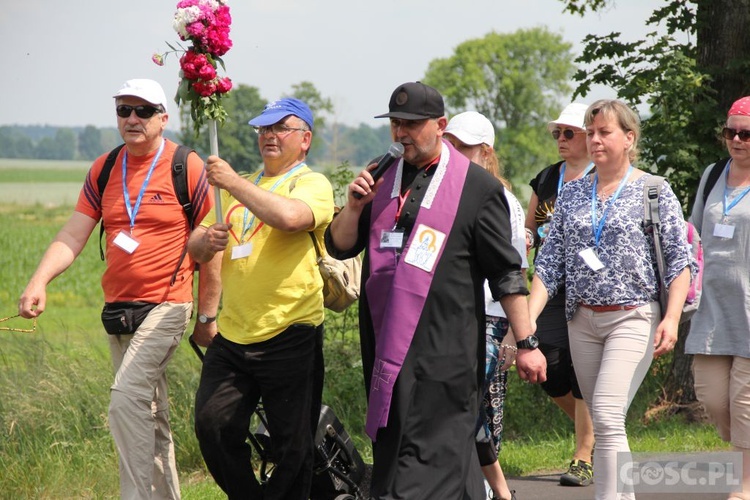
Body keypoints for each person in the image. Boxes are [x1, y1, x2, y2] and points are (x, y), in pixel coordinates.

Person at [325, 81, 546, 499]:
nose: (401, 133)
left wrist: (528, 341)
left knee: (426, 464)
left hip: (447, 353)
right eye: (395, 124)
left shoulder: (478, 189)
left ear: (440, 125)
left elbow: (506, 274)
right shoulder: (380, 175)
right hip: (386, 350)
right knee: (412, 457)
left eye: (412, 124)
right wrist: (353, 206)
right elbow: (339, 244)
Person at [17, 78, 214, 500]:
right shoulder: (104, 167)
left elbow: (212, 245)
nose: (132, 119)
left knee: (125, 400)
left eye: (143, 111)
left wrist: (207, 317)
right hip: (120, 310)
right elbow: (74, 233)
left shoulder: (187, 166)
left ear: (163, 118)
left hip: (168, 304)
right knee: (149, 414)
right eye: (124, 110)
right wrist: (39, 281)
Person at [528, 99, 692, 500]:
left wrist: (671, 318)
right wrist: (527, 322)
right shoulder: (571, 195)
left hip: (633, 317)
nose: (595, 139)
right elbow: (548, 267)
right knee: (605, 422)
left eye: (605, 132)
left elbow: (678, 262)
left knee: (604, 411)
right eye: (591, 132)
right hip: (581, 321)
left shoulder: (653, 189)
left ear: (629, 138)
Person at [187, 97, 334, 499]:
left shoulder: (311, 183)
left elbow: (290, 218)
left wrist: (232, 182)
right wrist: (206, 239)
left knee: (292, 444)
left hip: (290, 331)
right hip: (234, 334)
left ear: (304, 139)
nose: (269, 136)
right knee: (213, 425)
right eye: (263, 129)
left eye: (280, 128)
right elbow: (196, 248)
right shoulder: (243, 184)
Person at [444, 110, 524, 500]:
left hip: (490, 318)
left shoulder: (503, 201)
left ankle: (494, 490)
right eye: (449, 144)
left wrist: (515, 333)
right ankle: (490, 489)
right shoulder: (439, 192)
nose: (453, 152)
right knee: (463, 407)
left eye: (463, 147)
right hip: (450, 317)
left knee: (479, 407)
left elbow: (514, 273)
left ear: (485, 152)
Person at [524, 102, 596, 487]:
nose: (561, 140)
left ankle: (583, 455)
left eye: (569, 133)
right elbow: (530, 227)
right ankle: (601, 430)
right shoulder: (547, 178)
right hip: (549, 286)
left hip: (587, 286)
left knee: (582, 371)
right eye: (558, 134)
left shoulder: (599, 178)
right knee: (550, 368)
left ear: (590, 135)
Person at [686, 95, 750, 500]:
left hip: (749, 308)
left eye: (746, 133)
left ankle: (744, 485)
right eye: (731, 131)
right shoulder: (712, 175)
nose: (737, 139)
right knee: (712, 398)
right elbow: (691, 234)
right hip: (711, 309)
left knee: (745, 404)